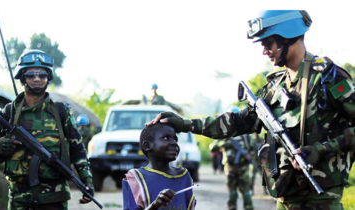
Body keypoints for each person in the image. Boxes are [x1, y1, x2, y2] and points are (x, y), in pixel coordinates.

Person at [146, 10, 355, 209]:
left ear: (287, 37)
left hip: (320, 199)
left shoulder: (328, 77)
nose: (264, 50)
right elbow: (238, 122)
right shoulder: (276, 85)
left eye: (268, 43)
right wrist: (186, 124)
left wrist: (323, 149)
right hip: (285, 193)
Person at [0, 49, 94, 210]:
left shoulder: (60, 112)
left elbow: (78, 149)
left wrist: (86, 181)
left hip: (54, 199)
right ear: (22, 78)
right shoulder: (9, 112)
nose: (37, 78)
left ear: (48, 78)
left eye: (42, 75)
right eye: (31, 75)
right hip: (19, 199)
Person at [122, 123, 196, 210]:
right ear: (147, 146)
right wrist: (155, 205)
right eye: (166, 138)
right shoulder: (136, 178)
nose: (174, 143)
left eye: (175, 139)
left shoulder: (183, 176)